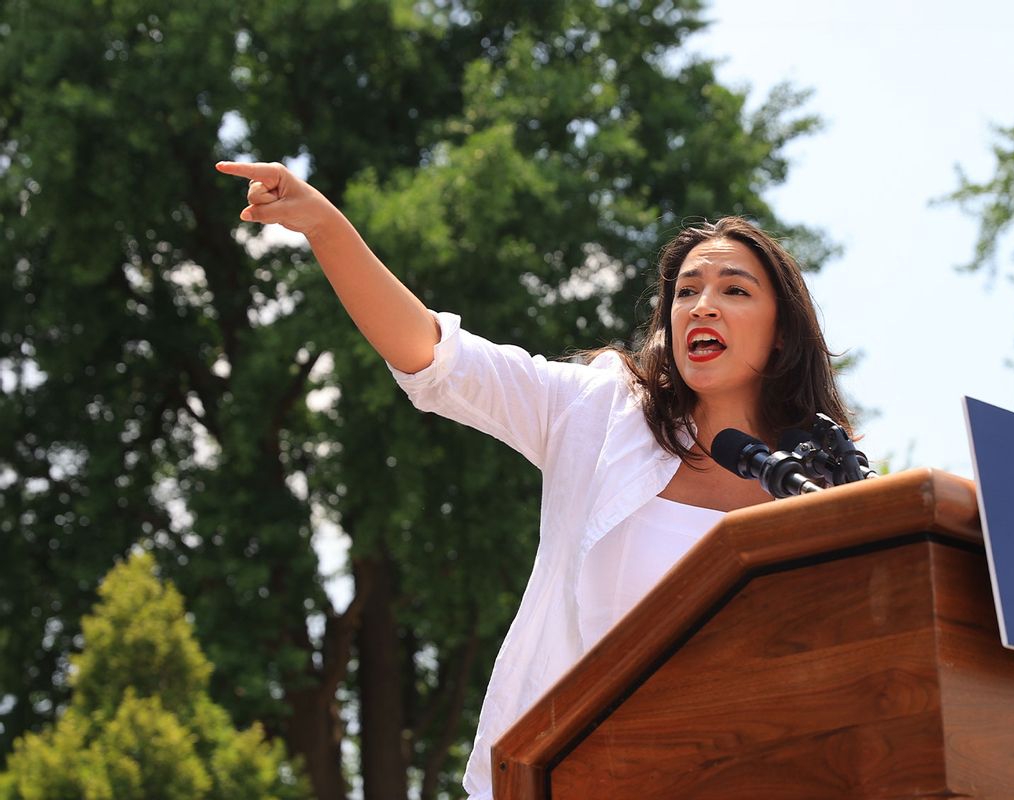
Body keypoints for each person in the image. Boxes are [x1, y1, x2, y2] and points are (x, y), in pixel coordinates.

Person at [215, 160, 852, 799]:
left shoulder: (824, 487)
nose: (702, 305)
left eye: (734, 291)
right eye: (685, 291)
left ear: (779, 336)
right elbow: (434, 357)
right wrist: (324, 226)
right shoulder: (600, 412)